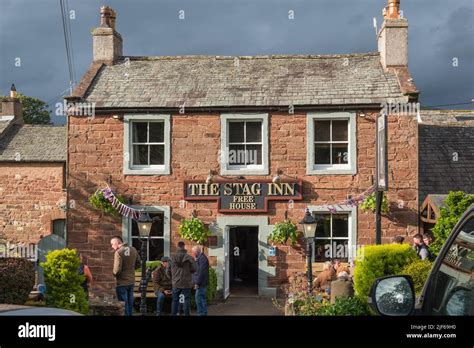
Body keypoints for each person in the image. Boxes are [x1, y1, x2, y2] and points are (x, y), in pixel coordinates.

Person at [111, 236, 140, 316]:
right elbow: (138, 264)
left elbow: (117, 270)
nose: (112, 246)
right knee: (130, 303)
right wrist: (131, 270)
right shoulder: (133, 249)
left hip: (122, 282)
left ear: (117, 242)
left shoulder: (118, 252)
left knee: (124, 304)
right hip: (131, 281)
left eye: (112, 244)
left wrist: (114, 274)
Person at [170, 241, 196, 316]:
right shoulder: (189, 258)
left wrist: (173, 278)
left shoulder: (172, 257)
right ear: (184, 247)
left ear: (177, 247)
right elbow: (194, 269)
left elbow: (168, 271)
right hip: (186, 283)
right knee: (186, 300)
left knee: (175, 300)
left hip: (176, 283)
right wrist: (188, 270)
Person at [191, 245, 209, 316]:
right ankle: (203, 313)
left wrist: (197, 283)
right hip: (202, 283)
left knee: (199, 299)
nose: (192, 254)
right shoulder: (200, 258)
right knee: (201, 298)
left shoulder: (202, 259)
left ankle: (201, 313)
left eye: (193, 252)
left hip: (201, 283)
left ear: (196, 252)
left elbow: (201, 273)